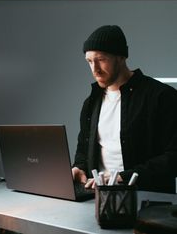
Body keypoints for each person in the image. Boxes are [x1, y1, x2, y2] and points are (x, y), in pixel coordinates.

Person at [72, 25, 177, 193]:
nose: (95, 69)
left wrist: (123, 177)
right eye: (90, 61)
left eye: (101, 59)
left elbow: (174, 157)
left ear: (121, 57)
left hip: (148, 202)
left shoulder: (161, 96)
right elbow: (83, 149)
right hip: (98, 199)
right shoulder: (91, 102)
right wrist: (79, 167)